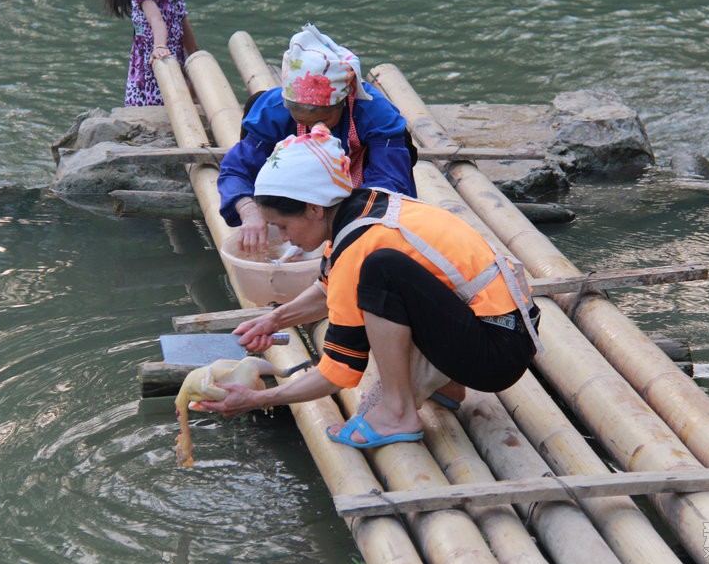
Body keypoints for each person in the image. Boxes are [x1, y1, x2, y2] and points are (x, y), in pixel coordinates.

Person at [195, 124, 543, 449]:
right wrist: (274, 321)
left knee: (382, 272)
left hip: (496, 354)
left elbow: (337, 374)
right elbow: (329, 287)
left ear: (315, 210)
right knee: (387, 273)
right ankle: (447, 383)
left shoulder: (361, 247)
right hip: (504, 329)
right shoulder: (362, 209)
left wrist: (259, 399)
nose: (285, 239)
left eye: (284, 226)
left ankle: (397, 413)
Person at [217, 24, 418, 252]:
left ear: (343, 101)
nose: (316, 128)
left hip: (362, 203)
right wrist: (249, 210)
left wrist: (342, 229)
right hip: (303, 210)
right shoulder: (272, 111)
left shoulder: (375, 113)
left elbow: (388, 183)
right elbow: (236, 170)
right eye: (303, 121)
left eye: (324, 119)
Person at [104, 0, 198, 106]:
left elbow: (156, 20)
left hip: (151, 68)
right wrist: (194, 57)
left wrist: (159, 46)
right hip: (174, 64)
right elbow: (184, 26)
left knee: (144, 106)